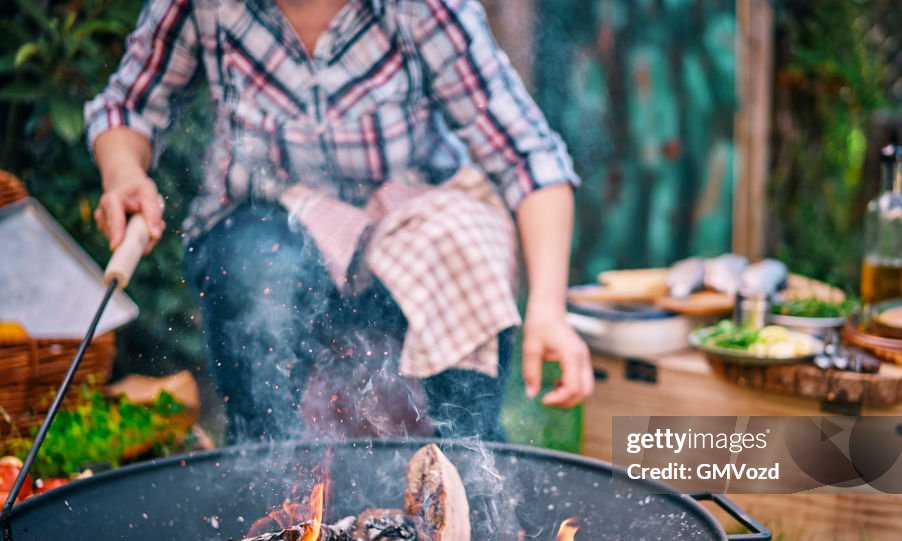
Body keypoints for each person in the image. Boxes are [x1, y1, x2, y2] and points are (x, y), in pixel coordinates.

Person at [85, 0, 593, 443]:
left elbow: (528, 157)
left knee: (466, 244)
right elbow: (127, 106)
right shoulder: (207, 5)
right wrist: (125, 172)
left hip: (408, 234)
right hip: (266, 230)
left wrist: (549, 308)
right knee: (259, 271)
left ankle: (474, 488)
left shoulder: (423, 8)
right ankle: (270, 493)